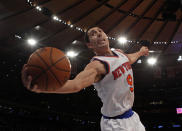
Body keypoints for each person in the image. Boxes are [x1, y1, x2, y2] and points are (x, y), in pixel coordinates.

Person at [22, 27, 149, 131]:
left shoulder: (119, 53)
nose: (99, 34)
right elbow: (76, 84)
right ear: (89, 45)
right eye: (93, 34)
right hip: (116, 124)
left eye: (100, 31)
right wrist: (44, 89)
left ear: (106, 35)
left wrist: (140, 52)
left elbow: (130, 59)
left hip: (132, 116)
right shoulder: (97, 65)